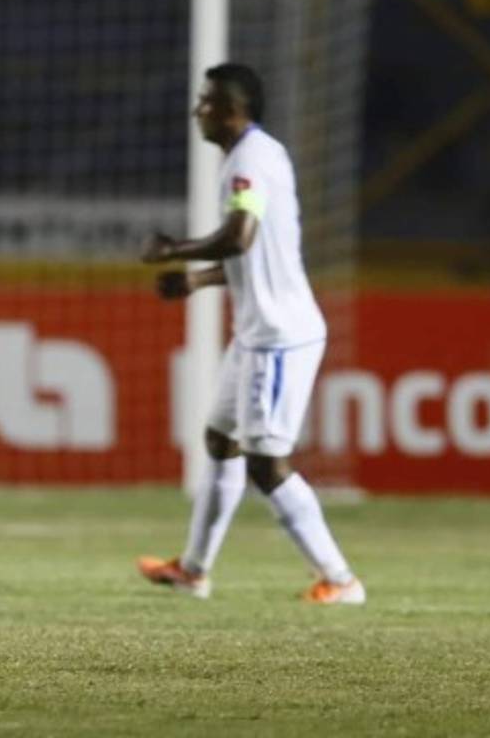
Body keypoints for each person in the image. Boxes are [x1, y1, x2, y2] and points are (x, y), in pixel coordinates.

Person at [137, 63, 364, 605]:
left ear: (231, 108)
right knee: (220, 439)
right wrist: (198, 279)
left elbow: (240, 237)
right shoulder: (256, 157)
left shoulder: (250, 161)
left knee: (266, 464)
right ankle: (193, 570)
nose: (199, 111)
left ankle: (340, 579)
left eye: (206, 101)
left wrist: (175, 250)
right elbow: (257, 254)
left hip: (278, 338)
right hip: (257, 332)